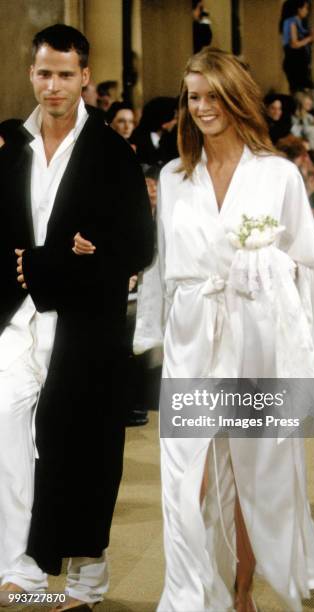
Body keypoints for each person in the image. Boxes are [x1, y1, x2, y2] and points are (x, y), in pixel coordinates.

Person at [132, 47, 314, 611]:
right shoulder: (173, 176)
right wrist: (152, 334)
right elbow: (161, 263)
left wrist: (296, 347)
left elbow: (309, 264)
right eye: (193, 97)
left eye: (213, 96)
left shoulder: (277, 175)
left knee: (249, 475)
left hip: (256, 336)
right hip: (193, 338)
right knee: (183, 475)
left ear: (237, 98)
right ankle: (188, 596)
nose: (201, 108)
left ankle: (242, 593)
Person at [0, 23, 153, 611]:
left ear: (85, 77)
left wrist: (43, 265)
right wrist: (62, 256)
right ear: (31, 74)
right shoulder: (11, 145)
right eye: (44, 73)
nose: (54, 85)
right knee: (10, 436)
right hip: (17, 321)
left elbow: (136, 246)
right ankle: (23, 569)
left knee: (82, 449)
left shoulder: (112, 152)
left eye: (66, 74)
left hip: (85, 325)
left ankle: (87, 573)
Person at [279, 0, 314, 93]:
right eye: (305, 8)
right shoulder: (290, 22)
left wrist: (311, 36)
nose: (307, 11)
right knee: (301, 91)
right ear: (298, 9)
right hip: (294, 62)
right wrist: (311, 38)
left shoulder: (300, 23)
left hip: (302, 62)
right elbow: (294, 44)